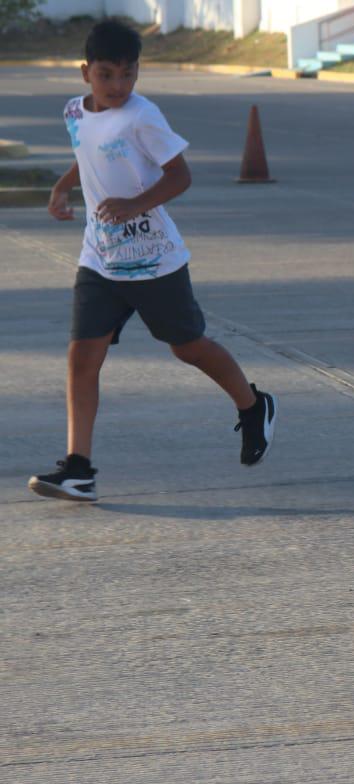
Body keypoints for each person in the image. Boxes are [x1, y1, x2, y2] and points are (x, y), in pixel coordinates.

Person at [28, 20, 276, 503]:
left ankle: (253, 405)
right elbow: (90, 151)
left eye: (127, 74)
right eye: (106, 75)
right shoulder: (74, 113)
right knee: (82, 357)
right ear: (85, 73)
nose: (118, 86)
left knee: (188, 347)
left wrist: (132, 205)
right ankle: (79, 469)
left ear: (138, 72)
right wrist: (62, 187)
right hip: (99, 259)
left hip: (153, 261)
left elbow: (179, 176)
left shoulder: (143, 116)